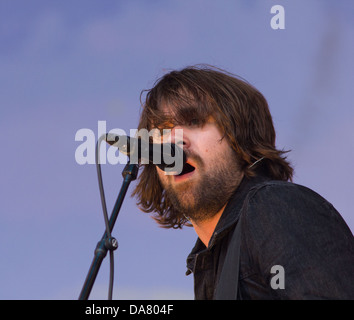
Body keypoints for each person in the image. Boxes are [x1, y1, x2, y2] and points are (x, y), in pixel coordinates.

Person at [131, 65, 354, 299]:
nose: (174, 140)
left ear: (241, 137)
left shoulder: (272, 207)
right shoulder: (211, 258)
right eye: (162, 130)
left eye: (195, 121)